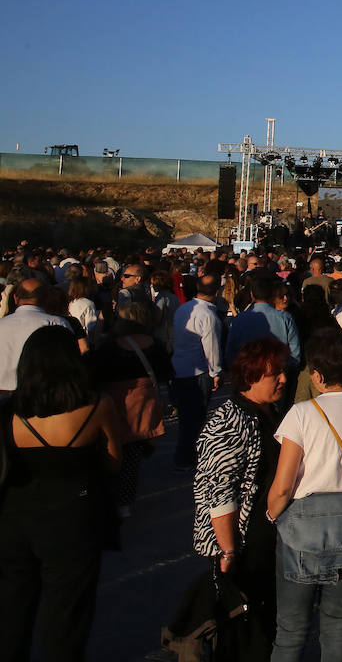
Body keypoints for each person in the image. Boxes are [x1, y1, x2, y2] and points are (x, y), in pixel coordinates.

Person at [265, 333, 342, 662]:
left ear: (317, 376)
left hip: (303, 530)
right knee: (337, 623)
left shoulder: (302, 414)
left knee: (291, 628)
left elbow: (283, 486)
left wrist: (272, 515)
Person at [0, 326, 122, 662]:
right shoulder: (97, 405)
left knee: (12, 607)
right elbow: (114, 462)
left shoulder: (10, 411)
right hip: (73, 516)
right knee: (67, 612)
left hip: (15, 516)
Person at [192, 336, 289, 660]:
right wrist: (228, 550)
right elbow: (220, 494)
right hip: (242, 545)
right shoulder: (229, 422)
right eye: (274, 373)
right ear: (250, 375)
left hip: (266, 541)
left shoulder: (269, 411)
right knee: (243, 633)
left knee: (264, 626)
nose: (283, 379)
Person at [89, 299, 172, 518]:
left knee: (110, 448)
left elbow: (94, 373)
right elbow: (166, 372)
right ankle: (125, 500)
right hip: (143, 403)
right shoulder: (154, 344)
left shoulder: (109, 345)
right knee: (133, 454)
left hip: (112, 402)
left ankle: (111, 496)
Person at [170, 274, 224, 471]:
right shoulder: (209, 315)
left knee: (186, 417)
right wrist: (216, 371)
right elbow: (212, 347)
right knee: (195, 418)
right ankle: (187, 456)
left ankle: (184, 454)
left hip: (179, 368)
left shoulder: (182, 309)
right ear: (217, 292)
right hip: (198, 370)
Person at [0, 278, 71, 393]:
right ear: (46, 299)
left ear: (15, 298)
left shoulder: (1, 324)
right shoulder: (58, 324)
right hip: (41, 397)